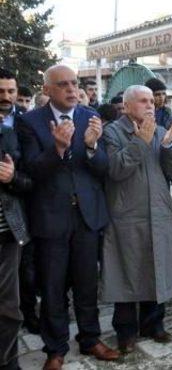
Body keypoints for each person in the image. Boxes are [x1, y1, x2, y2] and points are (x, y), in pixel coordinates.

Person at [16, 65, 120, 370]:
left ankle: (90, 339)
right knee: (52, 288)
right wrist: (58, 148)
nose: (72, 90)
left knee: (88, 284)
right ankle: (56, 349)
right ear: (47, 90)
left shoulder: (90, 117)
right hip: (50, 218)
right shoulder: (30, 123)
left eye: (75, 84)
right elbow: (31, 172)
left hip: (87, 216)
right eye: (63, 85)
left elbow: (103, 169)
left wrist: (90, 147)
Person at [100, 85, 172, 353]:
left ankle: (154, 324)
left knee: (156, 267)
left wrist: (169, 144)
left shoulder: (161, 130)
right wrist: (140, 142)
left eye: (152, 101)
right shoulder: (112, 132)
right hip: (128, 215)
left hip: (158, 212)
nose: (150, 105)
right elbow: (115, 170)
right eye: (142, 101)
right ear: (126, 106)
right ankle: (126, 331)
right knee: (126, 272)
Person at [0, 69, 38, 334]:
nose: (6, 97)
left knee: (20, 278)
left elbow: (34, 177)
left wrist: (12, 178)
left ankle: (28, 317)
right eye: (0, 91)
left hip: (15, 218)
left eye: (11, 91)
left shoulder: (26, 124)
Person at [0, 124, 32, 370]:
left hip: (6, 236)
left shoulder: (8, 134)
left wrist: (12, 178)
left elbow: (28, 182)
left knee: (9, 309)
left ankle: (9, 363)